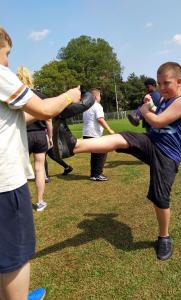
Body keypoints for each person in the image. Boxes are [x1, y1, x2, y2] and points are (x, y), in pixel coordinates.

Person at [65, 62, 181, 261]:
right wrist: (151, 104)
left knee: (160, 198)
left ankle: (164, 236)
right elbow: (157, 113)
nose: (162, 88)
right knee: (122, 138)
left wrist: (144, 109)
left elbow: (158, 121)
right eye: (159, 83)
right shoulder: (165, 100)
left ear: (179, 81)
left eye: (166, 83)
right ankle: (73, 146)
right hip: (152, 142)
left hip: (168, 155)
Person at [0, 27, 81, 300]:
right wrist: (70, 96)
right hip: (6, 184)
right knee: (16, 254)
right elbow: (45, 109)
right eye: (6, 53)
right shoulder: (1, 74)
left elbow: (15, 119)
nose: (8, 61)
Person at [17, 66, 51, 212]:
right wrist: (50, 137)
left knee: (19, 170)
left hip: (23, 135)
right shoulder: (39, 96)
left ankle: (21, 203)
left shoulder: (16, 96)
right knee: (39, 169)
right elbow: (48, 118)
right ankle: (40, 202)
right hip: (39, 135)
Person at [82, 88, 115, 181]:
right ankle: (98, 174)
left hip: (86, 134)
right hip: (93, 134)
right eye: (100, 95)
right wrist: (109, 129)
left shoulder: (87, 107)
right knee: (103, 151)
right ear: (96, 96)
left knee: (95, 154)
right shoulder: (97, 106)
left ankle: (93, 174)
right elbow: (100, 119)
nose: (100, 97)